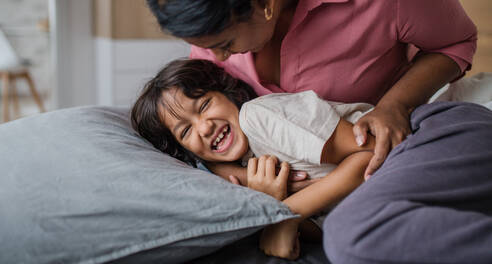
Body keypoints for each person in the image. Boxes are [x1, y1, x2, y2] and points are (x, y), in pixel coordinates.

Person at [142, 0, 477, 182]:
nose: (214, 58)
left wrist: (397, 103)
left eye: (225, 44)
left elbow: (455, 44)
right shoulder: (213, 12)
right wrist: (234, 175)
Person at [131, 59, 377, 260]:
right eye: (185, 131)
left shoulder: (257, 117)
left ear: (227, 93)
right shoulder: (250, 175)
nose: (204, 128)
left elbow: (371, 152)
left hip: (400, 150)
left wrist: (286, 215)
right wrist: (269, 203)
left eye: (204, 104)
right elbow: (322, 226)